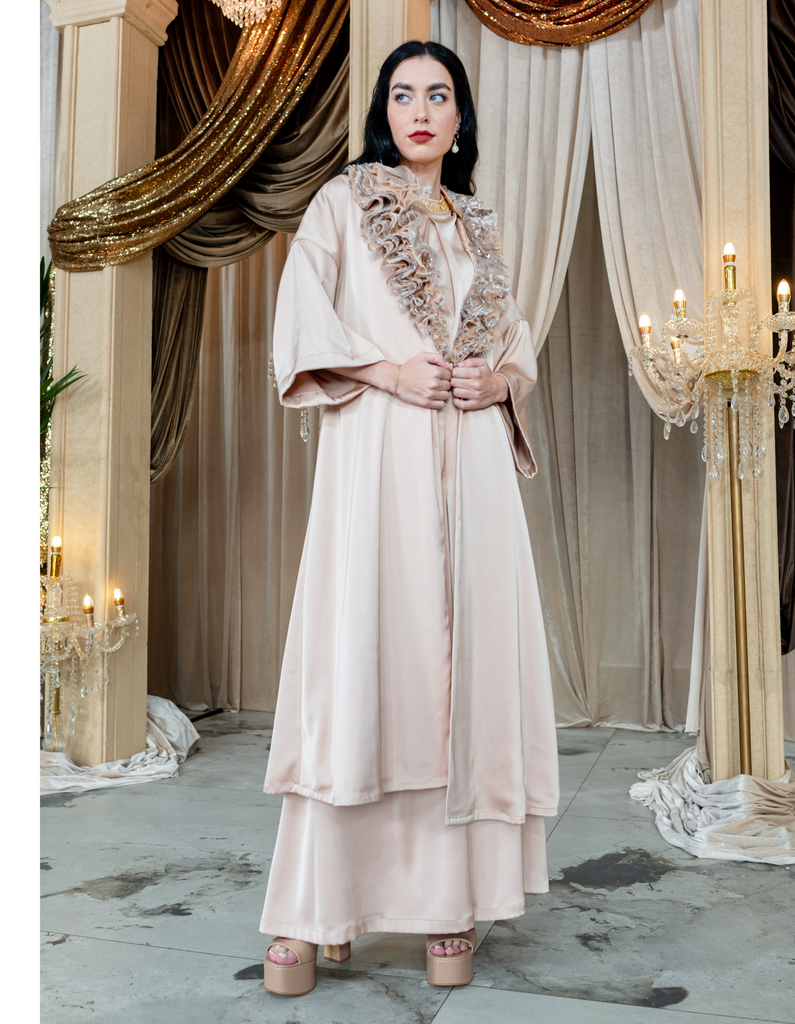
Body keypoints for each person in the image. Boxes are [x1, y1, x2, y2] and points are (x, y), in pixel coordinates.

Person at [259, 39, 559, 997]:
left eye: (438, 95)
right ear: (384, 112)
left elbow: (516, 348)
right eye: (402, 94)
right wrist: (387, 371)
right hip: (377, 456)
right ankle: (318, 905)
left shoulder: (479, 227)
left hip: (473, 470)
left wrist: (495, 382)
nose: (420, 110)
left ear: (461, 117)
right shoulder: (342, 205)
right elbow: (301, 317)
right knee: (366, 661)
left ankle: (447, 903)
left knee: (461, 676)